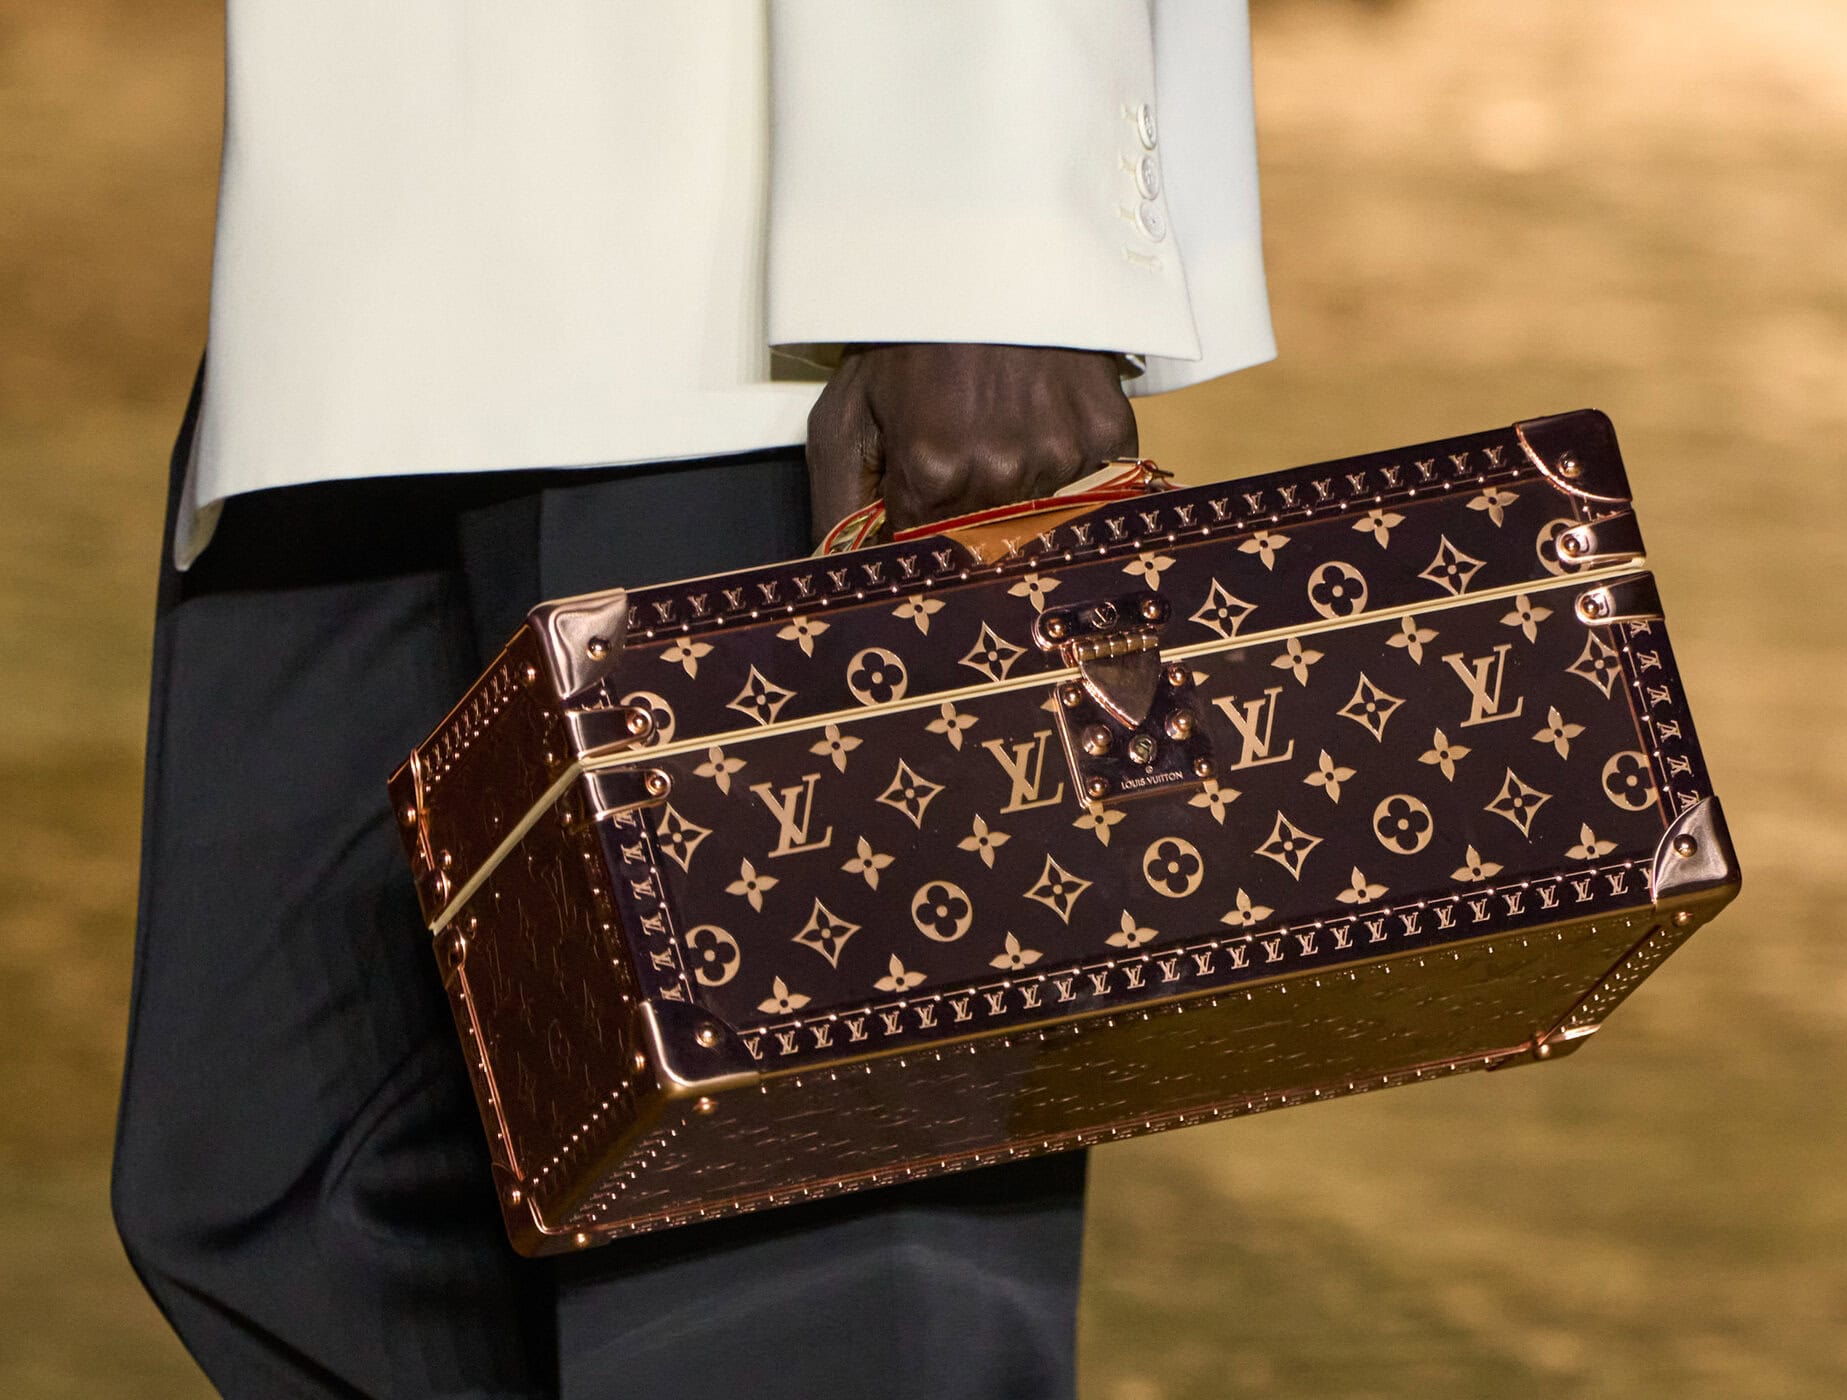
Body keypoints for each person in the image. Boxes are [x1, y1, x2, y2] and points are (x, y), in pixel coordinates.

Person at [110, 4, 1273, 1396]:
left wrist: (985, 242)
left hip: (753, 296)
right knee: (289, 1192)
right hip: (366, 279)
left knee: (789, 1296)